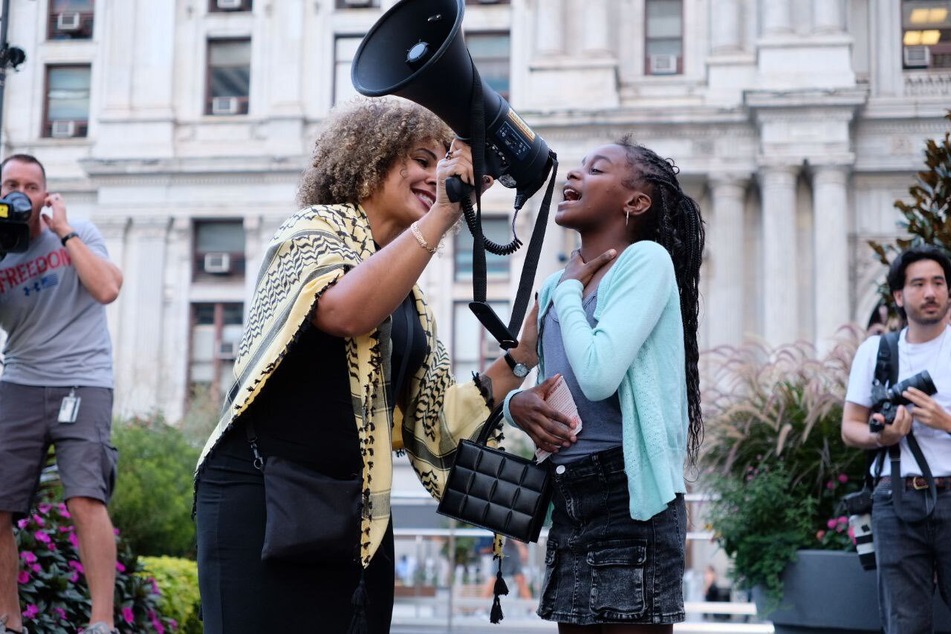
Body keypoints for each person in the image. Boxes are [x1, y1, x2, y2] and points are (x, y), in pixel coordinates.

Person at [193, 96, 539, 634]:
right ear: (368, 160)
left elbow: (435, 422)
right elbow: (343, 311)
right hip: (261, 501)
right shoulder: (309, 233)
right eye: (423, 160)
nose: (437, 174)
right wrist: (449, 208)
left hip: (352, 514)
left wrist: (520, 357)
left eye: (444, 162)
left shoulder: (410, 299)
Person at [504, 136, 705, 633]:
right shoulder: (553, 287)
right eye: (576, 167)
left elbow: (597, 375)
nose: (574, 176)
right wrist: (515, 404)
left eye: (595, 169)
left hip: (628, 496)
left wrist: (571, 290)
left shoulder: (645, 262)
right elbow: (529, 373)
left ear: (635, 202)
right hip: (569, 494)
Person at [0, 154, 123, 634]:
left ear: (45, 195)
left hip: (84, 380)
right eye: (11, 183)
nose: (21, 193)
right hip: (20, 384)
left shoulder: (79, 232)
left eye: (31, 186)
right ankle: (9, 620)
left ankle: (101, 624)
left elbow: (109, 288)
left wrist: (65, 231)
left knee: (84, 498)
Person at [842, 245, 951, 634]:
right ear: (899, 296)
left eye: (939, 283)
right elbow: (850, 426)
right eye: (918, 283)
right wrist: (883, 436)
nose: (930, 292)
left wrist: (945, 421)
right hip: (895, 499)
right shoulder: (877, 351)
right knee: (903, 624)